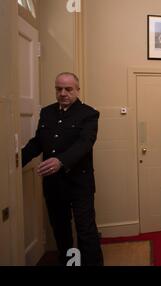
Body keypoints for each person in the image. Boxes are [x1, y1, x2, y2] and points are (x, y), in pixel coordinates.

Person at [22, 72, 103, 266]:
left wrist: (61, 161)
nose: (63, 93)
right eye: (59, 89)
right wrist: (14, 162)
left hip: (79, 184)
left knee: (86, 231)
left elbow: (85, 143)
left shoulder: (89, 113)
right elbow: (38, 142)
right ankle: (69, 263)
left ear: (77, 89)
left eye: (68, 89)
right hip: (54, 185)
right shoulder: (47, 112)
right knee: (60, 230)